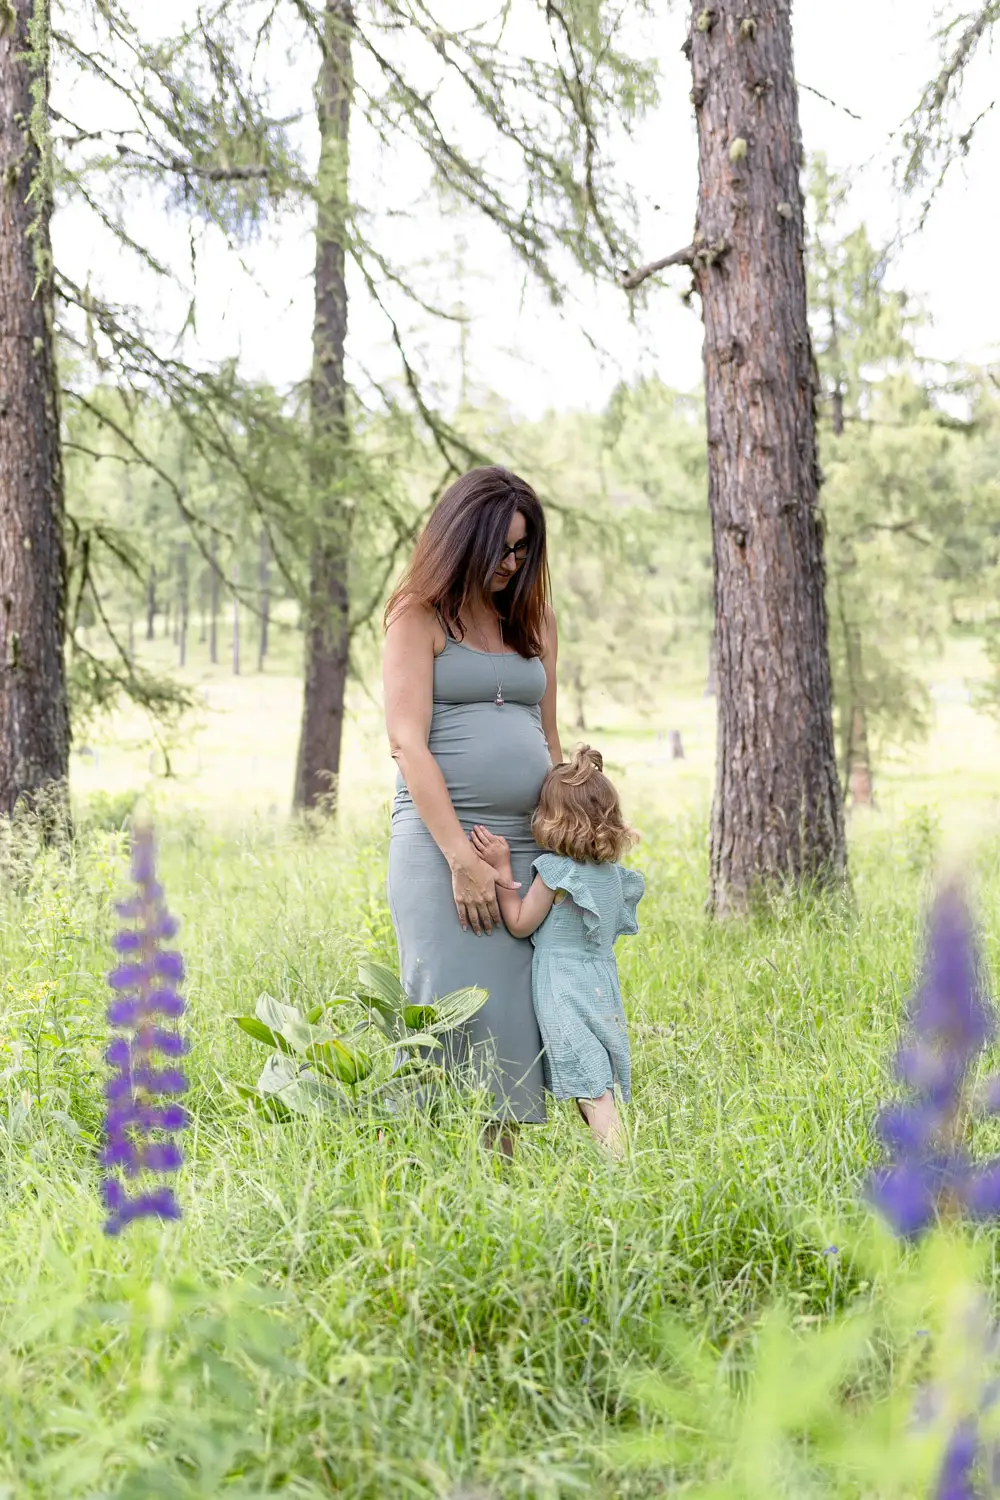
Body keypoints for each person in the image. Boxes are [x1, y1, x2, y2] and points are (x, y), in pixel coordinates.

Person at [382, 466, 561, 1154]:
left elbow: (546, 734)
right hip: (441, 846)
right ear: (463, 538)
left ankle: (497, 1186)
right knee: (453, 1014)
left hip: (526, 848)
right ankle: (433, 1173)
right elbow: (406, 741)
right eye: (501, 548)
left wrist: (571, 831)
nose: (512, 564)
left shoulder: (532, 618)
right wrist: (460, 857)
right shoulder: (417, 616)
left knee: (515, 1024)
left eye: (524, 550)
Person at [470, 747, 644, 1158]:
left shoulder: (556, 872)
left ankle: (623, 1170)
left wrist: (502, 868)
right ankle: (619, 1160)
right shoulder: (615, 876)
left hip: (562, 987)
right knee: (597, 1080)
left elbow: (519, 923)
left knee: (590, 1085)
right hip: (601, 983)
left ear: (555, 819)